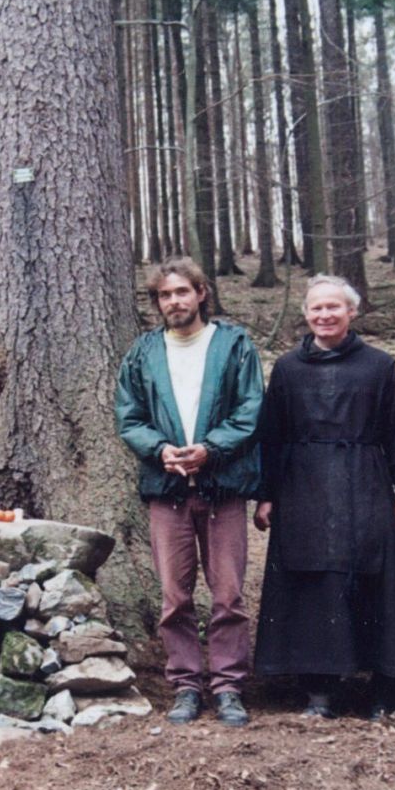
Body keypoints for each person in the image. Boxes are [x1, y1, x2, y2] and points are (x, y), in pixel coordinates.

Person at [252, 275, 395, 719]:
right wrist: (266, 493)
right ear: (306, 314)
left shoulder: (378, 366)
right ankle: (319, 688)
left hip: (364, 481)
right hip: (302, 485)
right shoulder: (288, 368)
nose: (325, 315)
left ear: (352, 312)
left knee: (375, 578)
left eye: (334, 307)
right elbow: (272, 435)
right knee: (311, 583)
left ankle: (386, 686)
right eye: (316, 308)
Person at [114, 258, 263, 727]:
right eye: (164, 295)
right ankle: (184, 683)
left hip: (222, 486)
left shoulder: (233, 344)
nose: (174, 302)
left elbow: (250, 408)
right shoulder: (143, 353)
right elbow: (129, 416)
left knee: (228, 593)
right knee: (174, 595)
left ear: (201, 293)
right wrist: (160, 451)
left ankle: (228, 685)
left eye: (182, 292)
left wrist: (212, 449)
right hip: (168, 488)